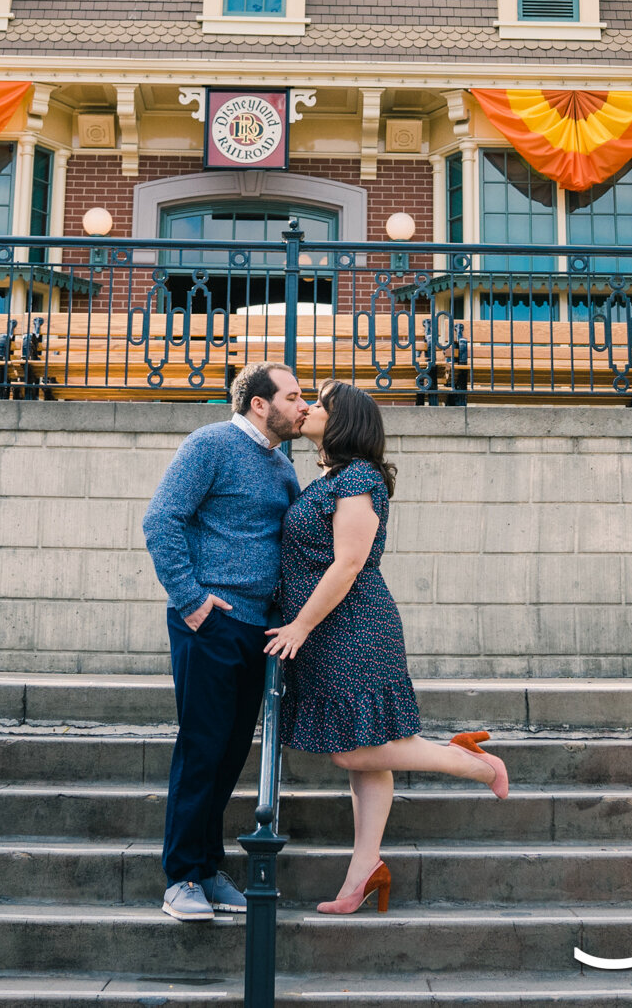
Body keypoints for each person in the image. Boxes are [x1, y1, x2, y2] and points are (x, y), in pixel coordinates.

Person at [265, 381, 508, 916]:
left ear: (343, 420)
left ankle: (472, 764)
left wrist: (299, 627)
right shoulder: (332, 477)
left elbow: (349, 562)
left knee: (353, 749)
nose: (305, 407)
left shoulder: (358, 478)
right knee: (365, 756)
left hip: (352, 628)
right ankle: (363, 873)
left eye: (318, 403)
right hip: (328, 630)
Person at [140, 360, 307, 923]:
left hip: (258, 631)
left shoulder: (281, 467)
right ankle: (181, 877)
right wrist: (191, 600)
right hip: (209, 622)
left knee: (231, 753)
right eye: (293, 395)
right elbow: (161, 519)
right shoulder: (209, 444)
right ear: (260, 403)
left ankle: (208, 869)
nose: (302, 405)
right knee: (203, 748)